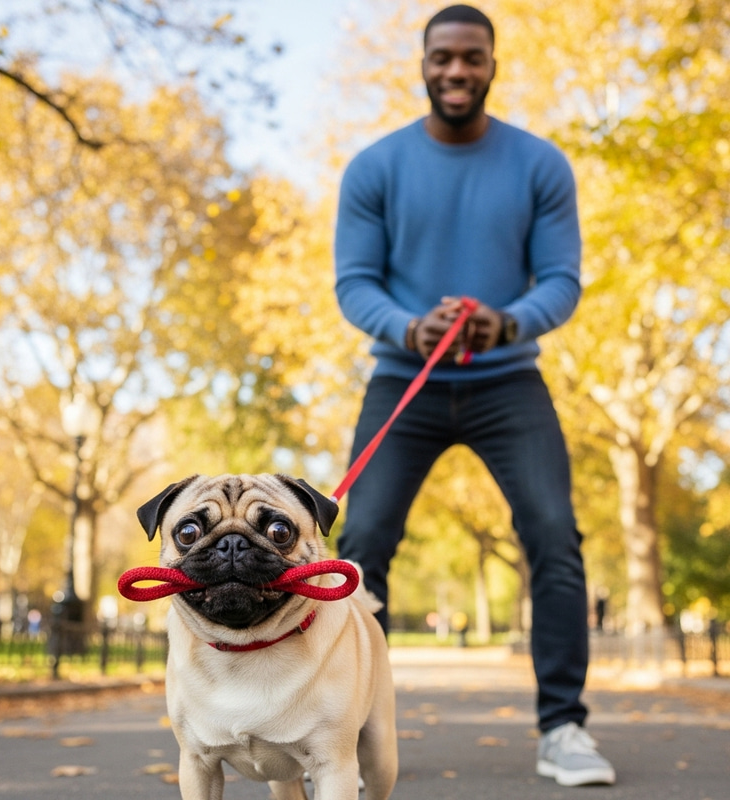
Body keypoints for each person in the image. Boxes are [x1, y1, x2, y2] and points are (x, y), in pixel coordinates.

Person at [333, 4, 615, 788]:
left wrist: (509, 321)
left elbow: (561, 279)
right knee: (359, 551)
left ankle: (563, 729)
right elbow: (354, 283)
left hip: (507, 381)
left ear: (493, 64)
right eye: (443, 58)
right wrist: (406, 327)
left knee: (555, 538)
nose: (457, 71)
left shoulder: (539, 164)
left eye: (472, 58)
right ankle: (348, 734)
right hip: (403, 379)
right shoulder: (376, 167)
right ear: (422, 65)